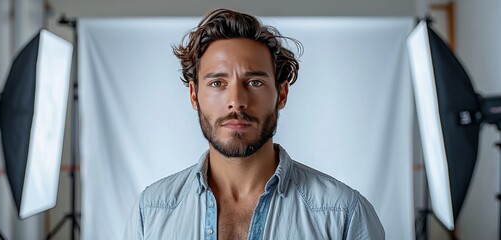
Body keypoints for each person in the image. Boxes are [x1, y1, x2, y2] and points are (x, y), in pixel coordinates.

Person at [124, 8, 384, 240]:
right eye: (217, 83)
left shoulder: (344, 214)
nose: (236, 101)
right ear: (194, 95)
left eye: (255, 82)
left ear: (281, 94)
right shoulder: (151, 211)